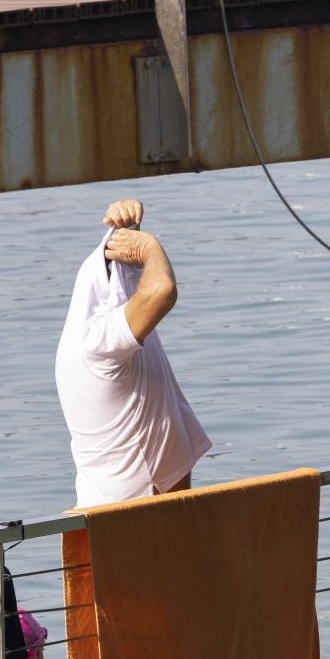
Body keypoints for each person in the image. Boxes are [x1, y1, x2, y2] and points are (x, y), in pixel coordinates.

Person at [54, 198, 210, 509]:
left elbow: (140, 286)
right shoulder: (98, 341)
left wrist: (124, 224)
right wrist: (149, 247)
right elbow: (160, 290)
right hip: (125, 521)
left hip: (145, 516)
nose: (134, 276)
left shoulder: (110, 333)